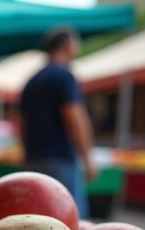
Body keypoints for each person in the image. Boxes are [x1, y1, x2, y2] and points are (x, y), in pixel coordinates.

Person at [20, 28, 95, 217]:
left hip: (33, 159)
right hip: (61, 159)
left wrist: (26, 152)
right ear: (68, 45)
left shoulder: (31, 81)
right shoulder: (65, 76)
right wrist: (87, 158)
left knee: (38, 220)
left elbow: (21, 121)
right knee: (70, 221)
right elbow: (74, 117)